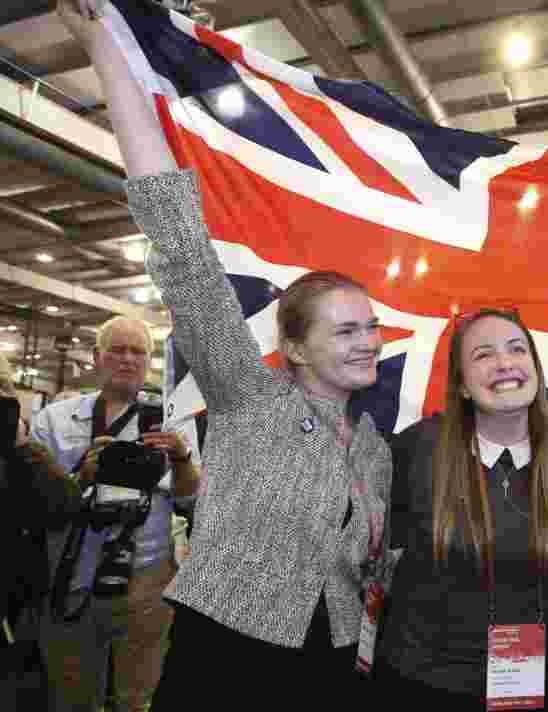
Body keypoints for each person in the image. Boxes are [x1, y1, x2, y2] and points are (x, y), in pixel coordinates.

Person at [60, 1, 393, 709]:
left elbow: (361, 563)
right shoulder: (249, 396)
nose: (369, 340)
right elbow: (179, 243)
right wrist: (103, 54)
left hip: (331, 665)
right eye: (346, 330)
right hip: (227, 660)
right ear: (294, 349)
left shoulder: (373, 447)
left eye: (371, 327)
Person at [378, 308, 548, 710]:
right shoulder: (417, 448)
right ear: (463, 386)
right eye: (483, 355)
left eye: (516, 349)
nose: (505, 363)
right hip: (428, 683)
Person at [31, 314, 202, 712]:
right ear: (97, 357)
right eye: (117, 350)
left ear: (149, 361)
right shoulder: (55, 420)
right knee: (72, 697)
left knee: (138, 699)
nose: (128, 359)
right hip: (70, 576)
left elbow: (192, 498)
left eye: (138, 351)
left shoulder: (173, 421)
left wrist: (180, 458)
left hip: (146, 577)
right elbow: (37, 502)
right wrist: (80, 475)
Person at [1, 355, 82, 711]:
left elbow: (63, 507)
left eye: (2, 388)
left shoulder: (21, 455)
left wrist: (20, 447)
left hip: (17, 609)